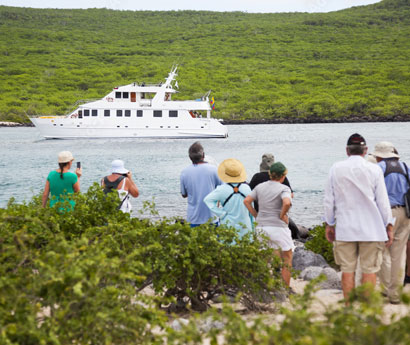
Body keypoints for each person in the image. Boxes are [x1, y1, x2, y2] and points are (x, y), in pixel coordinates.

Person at [324, 133, 393, 303]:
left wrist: (329, 224)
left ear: (347, 150)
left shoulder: (336, 168)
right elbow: (383, 201)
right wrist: (389, 225)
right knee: (370, 270)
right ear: (365, 150)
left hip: (345, 228)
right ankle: (366, 308)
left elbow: (328, 200)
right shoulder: (375, 169)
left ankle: (349, 307)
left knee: (347, 270)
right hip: (372, 229)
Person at [371, 142, 410, 304]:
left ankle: (386, 289)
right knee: (399, 255)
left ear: (378, 155)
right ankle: (396, 294)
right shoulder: (405, 167)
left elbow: (373, 192)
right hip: (406, 213)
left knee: (383, 251)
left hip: (388, 213)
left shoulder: (378, 168)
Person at [244, 162, 294, 287]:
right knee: (287, 258)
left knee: (263, 259)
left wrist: (256, 215)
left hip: (262, 227)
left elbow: (246, 201)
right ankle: (285, 289)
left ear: (270, 174)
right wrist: (282, 215)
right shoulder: (284, 188)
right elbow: (287, 202)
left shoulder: (259, 187)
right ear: (283, 176)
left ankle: (262, 288)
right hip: (278, 227)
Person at [249, 153, 299, 239]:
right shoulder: (282, 178)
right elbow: (291, 195)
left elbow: (248, 197)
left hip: (260, 214)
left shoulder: (256, 177)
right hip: (278, 215)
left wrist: (254, 214)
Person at [204, 158, 253, 237]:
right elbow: (251, 210)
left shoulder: (221, 189)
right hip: (245, 226)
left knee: (228, 247)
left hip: (228, 225)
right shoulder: (247, 188)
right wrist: (252, 227)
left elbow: (207, 200)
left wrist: (221, 213)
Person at [180, 142, 222, 227]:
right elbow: (222, 190)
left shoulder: (184, 172)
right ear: (203, 155)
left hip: (193, 218)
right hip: (212, 216)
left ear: (190, 157)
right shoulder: (214, 170)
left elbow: (184, 194)